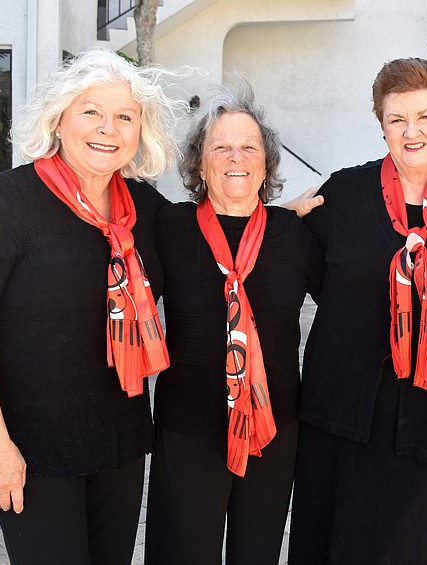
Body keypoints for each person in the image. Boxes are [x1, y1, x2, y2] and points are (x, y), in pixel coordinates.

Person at [0, 50, 181, 564]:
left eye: (125, 116)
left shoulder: (148, 211)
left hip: (119, 441)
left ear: (141, 130)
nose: (108, 128)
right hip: (32, 449)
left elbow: (218, 237)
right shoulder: (7, 202)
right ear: (59, 119)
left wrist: (290, 215)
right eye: (90, 111)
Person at [287, 57, 427, 564]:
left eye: (424, 117)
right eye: (397, 119)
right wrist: (277, 221)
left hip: (423, 418)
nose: (411, 131)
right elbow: (296, 273)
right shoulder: (343, 194)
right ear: (382, 127)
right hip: (341, 415)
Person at [144, 83, 320, 565]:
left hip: (273, 427)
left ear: (267, 163)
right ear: (200, 164)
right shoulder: (169, 228)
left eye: (249, 147)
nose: (235, 156)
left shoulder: (294, 234)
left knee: (257, 554)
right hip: (188, 432)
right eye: (220, 146)